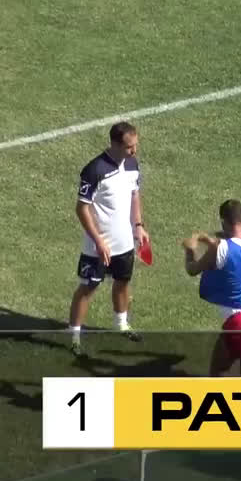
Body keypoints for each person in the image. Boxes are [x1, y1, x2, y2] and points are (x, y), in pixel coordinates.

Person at [69, 122, 148, 356]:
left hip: (124, 242)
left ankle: (121, 324)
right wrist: (98, 240)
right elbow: (82, 208)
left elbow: (134, 195)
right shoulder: (94, 170)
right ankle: (74, 336)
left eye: (135, 145)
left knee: (122, 282)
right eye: (129, 147)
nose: (134, 151)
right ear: (114, 144)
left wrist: (139, 226)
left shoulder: (132, 164)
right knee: (88, 287)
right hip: (98, 246)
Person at [183, 199, 241, 377]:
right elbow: (230, 250)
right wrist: (210, 242)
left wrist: (190, 249)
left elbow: (192, 269)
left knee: (219, 372)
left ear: (223, 222)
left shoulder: (221, 248)